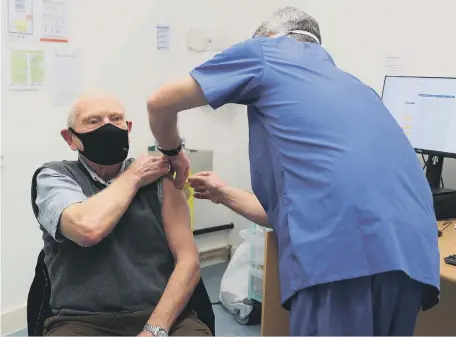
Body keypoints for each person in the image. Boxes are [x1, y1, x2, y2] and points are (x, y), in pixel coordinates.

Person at [145, 6, 440, 336]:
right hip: (413, 255)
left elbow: (159, 102)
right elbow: (297, 214)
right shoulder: (355, 87)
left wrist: (173, 153)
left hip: (344, 255)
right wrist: (224, 193)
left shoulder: (265, 52)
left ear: (270, 38)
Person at [30, 92, 212, 336]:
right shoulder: (54, 177)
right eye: (93, 121)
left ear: (128, 128)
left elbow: (188, 261)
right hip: (81, 321)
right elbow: (88, 228)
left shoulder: (160, 181)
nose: (107, 126)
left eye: (116, 119)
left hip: (164, 316)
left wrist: (154, 330)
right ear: (70, 138)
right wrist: (134, 177)